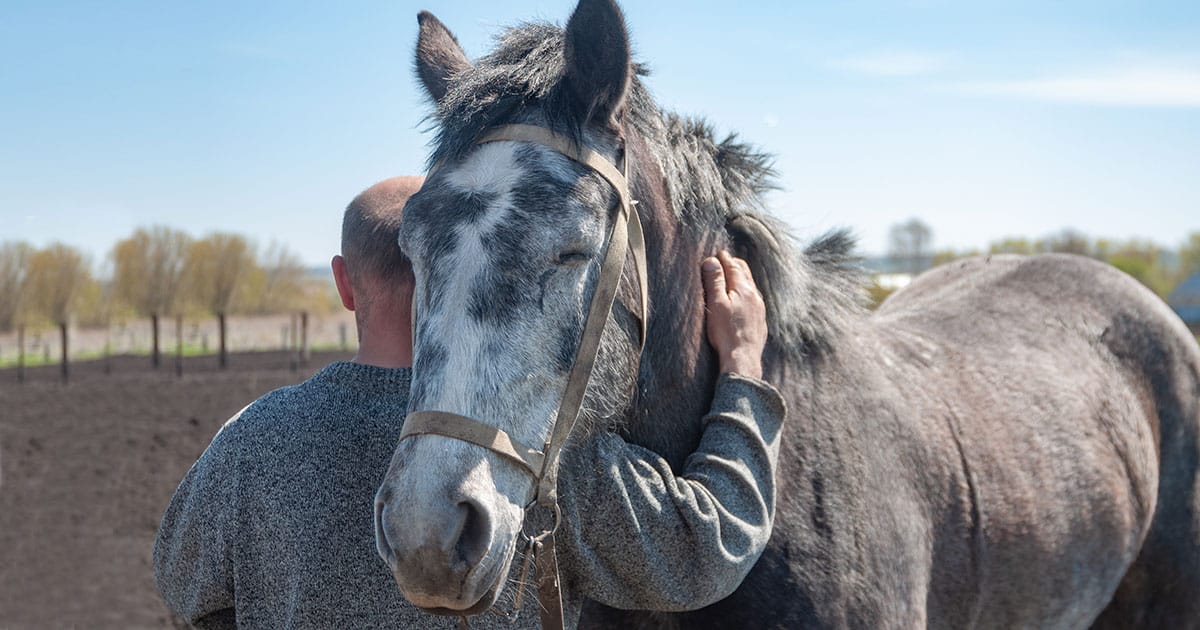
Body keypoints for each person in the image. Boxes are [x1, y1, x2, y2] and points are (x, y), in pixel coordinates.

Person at [153, 176, 786, 628]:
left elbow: (183, 590)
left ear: (344, 284)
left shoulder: (249, 442)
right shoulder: (543, 460)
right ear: (457, 266)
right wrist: (743, 365)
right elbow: (710, 546)